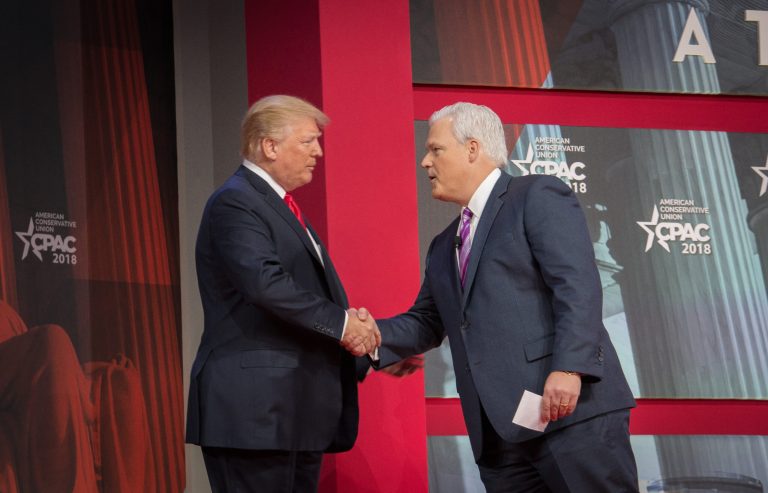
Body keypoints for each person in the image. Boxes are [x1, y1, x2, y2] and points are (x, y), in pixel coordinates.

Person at [366, 102, 638, 491]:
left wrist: (570, 368)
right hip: (498, 436)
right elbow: (427, 321)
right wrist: (364, 335)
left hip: (569, 414)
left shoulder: (535, 195)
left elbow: (576, 284)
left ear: (472, 149)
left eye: (435, 149)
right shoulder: (444, 245)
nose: (425, 162)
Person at [186, 95, 379, 493]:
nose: (318, 152)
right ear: (269, 146)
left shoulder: (281, 206)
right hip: (254, 413)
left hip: (291, 411)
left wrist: (372, 346)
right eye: (308, 141)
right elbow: (265, 284)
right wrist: (346, 327)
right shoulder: (236, 202)